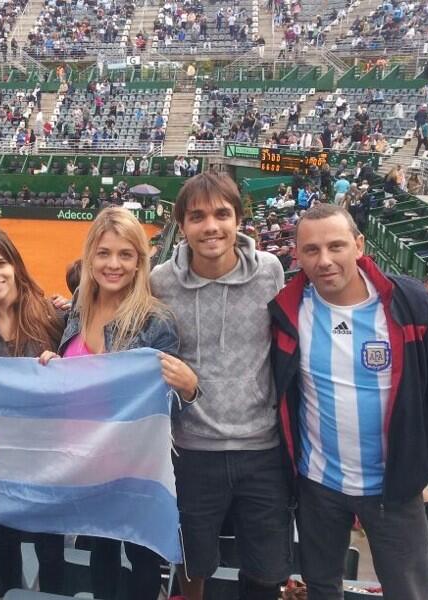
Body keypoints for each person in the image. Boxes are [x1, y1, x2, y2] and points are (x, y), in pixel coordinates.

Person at [269, 203, 428, 600]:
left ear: (359, 245)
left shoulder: (411, 303)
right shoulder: (287, 311)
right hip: (317, 485)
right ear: (298, 255)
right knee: (321, 586)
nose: (324, 260)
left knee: (409, 591)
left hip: (393, 486)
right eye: (311, 250)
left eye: (336, 246)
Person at [150, 173, 292, 600]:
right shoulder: (160, 281)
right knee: (192, 564)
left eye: (221, 214)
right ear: (181, 225)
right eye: (197, 217)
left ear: (238, 220)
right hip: (191, 451)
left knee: (266, 571)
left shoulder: (270, 271)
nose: (211, 226)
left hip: (262, 449)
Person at [39, 208, 180, 600]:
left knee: (140, 554)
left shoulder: (157, 320)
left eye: (125, 254)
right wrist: (54, 363)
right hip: (83, 456)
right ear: (90, 257)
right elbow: (73, 372)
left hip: (134, 463)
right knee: (100, 550)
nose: (113, 264)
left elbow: (168, 403)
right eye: (103, 253)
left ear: (139, 262)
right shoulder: (80, 305)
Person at [0, 228, 66, 597]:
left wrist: (61, 364)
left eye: (0, 263)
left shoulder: (53, 316)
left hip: (46, 457)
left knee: (50, 548)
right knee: (5, 541)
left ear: (15, 265)